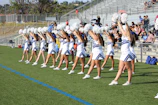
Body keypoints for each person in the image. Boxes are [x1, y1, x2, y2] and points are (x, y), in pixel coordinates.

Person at [109, 21, 134, 86]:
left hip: (126, 53)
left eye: (124, 29)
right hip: (123, 54)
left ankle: (129, 81)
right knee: (120, 68)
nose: (122, 30)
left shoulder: (128, 36)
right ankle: (115, 80)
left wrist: (120, 22)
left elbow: (124, 29)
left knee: (129, 69)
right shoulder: (124, 36)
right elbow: (121, 30)